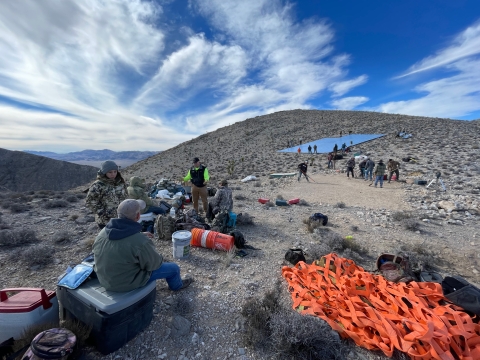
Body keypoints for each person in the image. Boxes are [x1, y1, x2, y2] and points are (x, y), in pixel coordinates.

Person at [93, 199, 192, 292]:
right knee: (174, 268)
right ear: (138, 216)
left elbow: (120, 243)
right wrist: (158, 256)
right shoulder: (140, 242)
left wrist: (139, 235)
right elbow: (155, 264)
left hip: (105, 279)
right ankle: (177, 286)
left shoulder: (103, 232)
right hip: (124, 284)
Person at [86, 160, 128, 229]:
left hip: (121, 218)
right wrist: (103, 213)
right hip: (106, 221)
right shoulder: (98, 185)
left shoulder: (120, 183)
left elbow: (126, 196)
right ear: (104, 172)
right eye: (110, 172)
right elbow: (90, 202)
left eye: (115, 171)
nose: (113, 174)